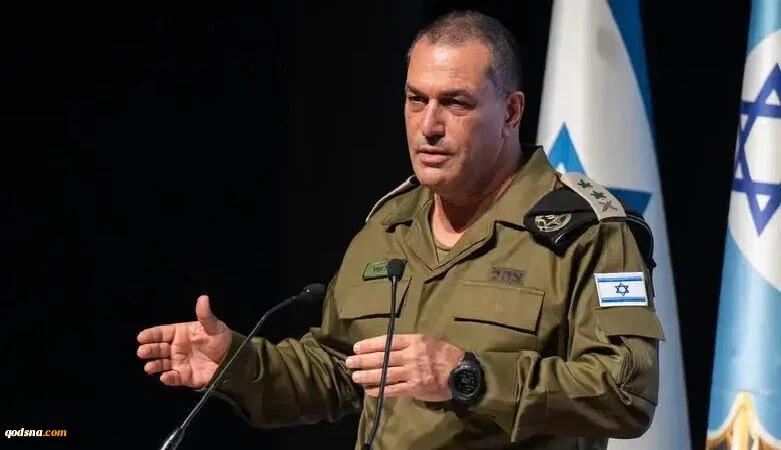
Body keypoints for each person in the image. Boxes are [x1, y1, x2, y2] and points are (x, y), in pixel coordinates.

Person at [136, 10, 665, 449]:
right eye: (416, 99)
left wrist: (468, 376)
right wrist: (237, 362)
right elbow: (337, 371)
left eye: (455, 103)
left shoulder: (586, 233)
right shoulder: (389, 225)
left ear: (511, 111)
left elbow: (626, 393)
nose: (429, 125)